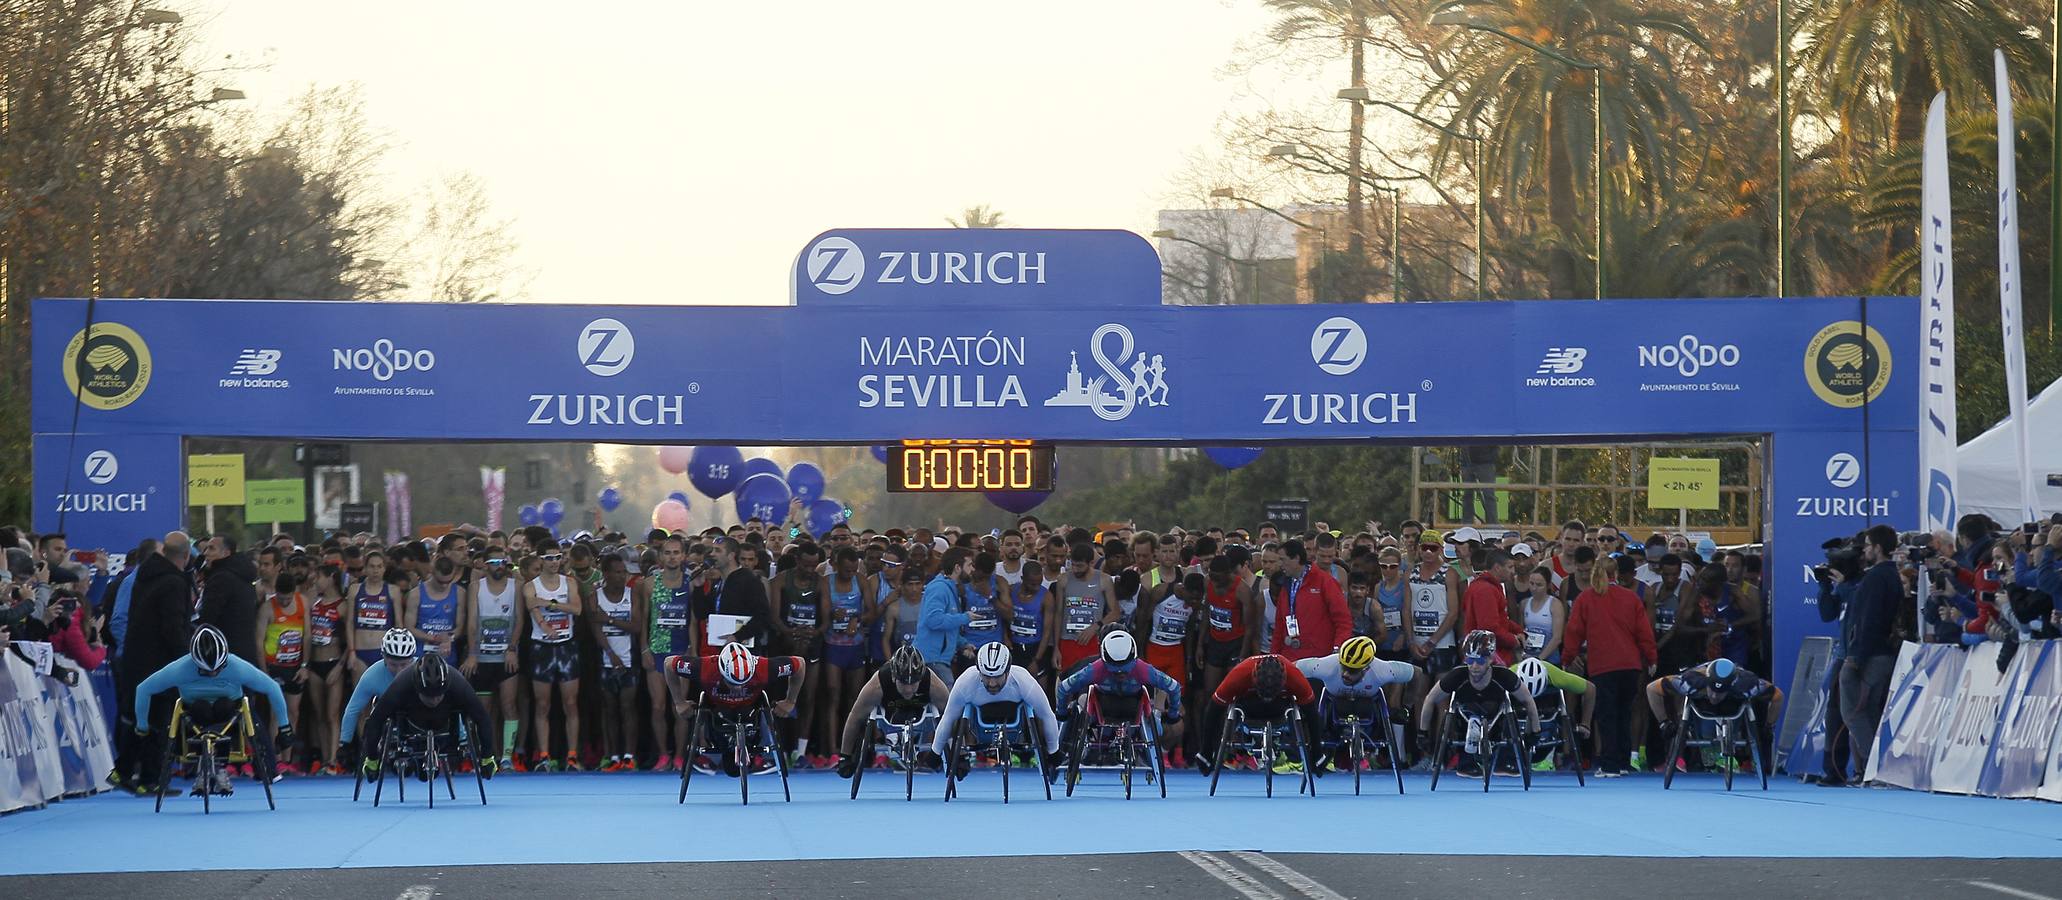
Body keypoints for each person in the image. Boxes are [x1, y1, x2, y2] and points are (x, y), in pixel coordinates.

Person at [132, 625, 292, 796]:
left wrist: (285, 728)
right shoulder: (181, 668)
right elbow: (143, 689)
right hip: (195, 715)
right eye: (207, 672)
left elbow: (272, 688)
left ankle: (265, 769)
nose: (214, 673)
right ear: (195, 663)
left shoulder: (236, 666)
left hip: (230, 714)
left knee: (231, 706)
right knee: (200, 708)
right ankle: (203, 765)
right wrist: (142, 726)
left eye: (218, 669)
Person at [114, 532, 195, 794]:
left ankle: (124, 771)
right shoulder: (174, 582)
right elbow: (173, 626)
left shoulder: (143, 577)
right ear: (185, 556)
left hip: (137, 659)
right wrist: (186, 658)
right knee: (159, 721)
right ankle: (150, 779)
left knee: (140, 718)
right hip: (161, 663)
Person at [1563, 558, 1656, 777]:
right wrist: (1651, 658)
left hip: (1603, 664)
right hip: (1630, 664)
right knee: (1624, 713)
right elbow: (1644, 632)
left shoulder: (1585, 598)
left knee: (1606, 715)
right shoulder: (1631, 598)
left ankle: (1609, 764)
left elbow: (1574, 631)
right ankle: (1623, 762)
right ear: (1617, 574)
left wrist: (1568, 657)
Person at [661, 642, 805, 777]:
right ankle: (712, 756)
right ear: (722, 672)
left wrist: (790, 701)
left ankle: (766, 756)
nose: (738, 688)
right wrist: (679, 702)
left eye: (744, 682)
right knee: (708, 716)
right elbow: (669, 664)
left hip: (751, 712)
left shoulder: (764, 667)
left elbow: (800, 664)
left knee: (764, 708)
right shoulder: (705, 667)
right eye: (732, 683)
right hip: (717, 712)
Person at [1416, 631, 1541, 778]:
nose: (1474, 666)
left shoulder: (1504, 675)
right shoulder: (1457, 675)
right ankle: (1466, 760)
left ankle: (1505, 759)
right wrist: (1422, 732)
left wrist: (1535, 731)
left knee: (1509, 712)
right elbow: (1430, 699)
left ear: (1491, 659)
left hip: (1497, 721)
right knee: (1462, 713)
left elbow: (1528, 700)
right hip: (1465, 719)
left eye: (1480, 661)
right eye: (1470, 660)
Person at [358, 651, 498, 782]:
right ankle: (412, 762)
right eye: (428, 696)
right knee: (382, 711)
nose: (434, 700)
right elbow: (376, 720)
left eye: (438, 696)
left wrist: (487, 756)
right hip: (409, 728)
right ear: (418, 688)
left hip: (446, 730)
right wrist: (372, 759)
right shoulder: (402, 683)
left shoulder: (458, 683)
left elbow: (482, 718)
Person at [931, 641, 1061, 780]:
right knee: (956, 716)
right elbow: (948, 718)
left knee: (1039, 712)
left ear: (1007, 671)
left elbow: (1047, 714)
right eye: (987, 677)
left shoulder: (1022, 679)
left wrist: (1054, 752)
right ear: (979, 671)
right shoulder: (966, 681)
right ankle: (962, 758)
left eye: (997, 677)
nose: (992, 683)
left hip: (1015, 722)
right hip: (978, 726)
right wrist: (935, 753)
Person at [1053, 631, 1184, 764]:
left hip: (1133, 709)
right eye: (1115, 670)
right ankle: (1066, 751)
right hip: (1102, 710)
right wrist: (1062, 713)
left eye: (1124, 669)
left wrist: (1168, 713)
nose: (1120, 673)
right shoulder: (1095, 668)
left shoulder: (1143, 669)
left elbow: (1173, 687)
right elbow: (1063, 687)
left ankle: (1147, 752)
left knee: (1156, 720)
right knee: (1082, 700)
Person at [1837, 525, 1903, 777]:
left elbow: (1869, 620)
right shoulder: (1889, 575)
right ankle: (1878, 766)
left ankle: (1878, 767)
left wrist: (1856, 657)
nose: (1863, 550)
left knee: (1852, 711)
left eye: (1867, 545)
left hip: (1869, 654)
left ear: (1877, 547)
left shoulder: (1876, 577)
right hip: (1880, 651)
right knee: (1870, 710)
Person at [1296, 635, 1418, 771]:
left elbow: (1417, 673)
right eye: (1344, 667)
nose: (1346, 674)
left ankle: (1375, 755)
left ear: (1366, 669)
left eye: (1353, 670)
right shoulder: (1325, 666)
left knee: (1388, 711)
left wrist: (1407, 705)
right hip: (1333, 706)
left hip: (1369, 708)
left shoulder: (1381, 670)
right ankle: (1325, 754)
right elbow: (1291, 667)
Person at [834, 644, 950, 777]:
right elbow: (855, 717)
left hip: (919, 712)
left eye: (913, 684)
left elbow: (951, 717)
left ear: (921, 677)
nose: (908, 689)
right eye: (903, 683)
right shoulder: (877, 684)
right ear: (894, 676)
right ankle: (892, 739)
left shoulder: (933, 684)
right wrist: (845, 756)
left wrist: (959, 754)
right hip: (889, 713)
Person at [1197, 653, 1317, 774]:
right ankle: (1247, 744)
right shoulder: (1239, 674)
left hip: (1280, 706)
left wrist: (1317, 752)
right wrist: (1205, 751)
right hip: (1250, 706)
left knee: (1304, 708)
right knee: (1220, 709)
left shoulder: (1294, 676)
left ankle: (1282, 748)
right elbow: (1212, 711)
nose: (1267, 699)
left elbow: (1312, 713)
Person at [522, 546, 584, 771]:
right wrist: (544, 624)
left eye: (558, 558)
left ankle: (572, 756)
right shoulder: (531, 586)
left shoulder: (569, 583)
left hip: (566, 646)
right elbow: (531, 605)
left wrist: (549, 604)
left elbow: (577, 610)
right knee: (542, 704)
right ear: (541, 560)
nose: (554, 562)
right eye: (549, 558)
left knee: (571, 703)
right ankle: (544, 756)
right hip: (542, 648)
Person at [464, 552, 522, 772]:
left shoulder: (515, 586)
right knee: (483, 709)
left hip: (506, 656)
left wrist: (512, 649)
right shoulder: (476, 587)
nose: (499, 566)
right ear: (485, 565)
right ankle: (486, 756)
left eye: (503, 562)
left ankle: (507, 757)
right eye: (494, 563)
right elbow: (471, 623)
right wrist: (472, 653)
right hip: (483, 656)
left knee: (509, 704)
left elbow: (519, 620)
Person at [820, 546, 878, 770]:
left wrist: (858, 619)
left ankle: (857, 747)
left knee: (856, 699)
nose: (850, 574)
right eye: (846, 571)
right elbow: (823, 612)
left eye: (854, 570)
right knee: (833, 695)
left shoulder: (861, 581)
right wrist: (833, 614)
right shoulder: (827, 582)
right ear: (836, 566)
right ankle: (833, 749)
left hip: (855, 646)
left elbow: (872, 612)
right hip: (833, 645)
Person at [1644, 658, 1779, 751]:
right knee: (1706, 730)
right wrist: (1664, 723)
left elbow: (1778, 697)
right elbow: (1651, 689)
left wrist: (1768, 726)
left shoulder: (1747, 684)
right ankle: (1698, 737)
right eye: (1712, 690)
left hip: (1733, 700)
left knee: (1738, 705)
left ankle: (1737, 740)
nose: (1714, 696)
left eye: (1719, 693)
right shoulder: (1690, 682)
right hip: (1701, 699)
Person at [588, 554, 642, 772]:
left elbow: (636, 627)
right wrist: (610, 653)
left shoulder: (633, 595)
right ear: (606, 574)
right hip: (606, 660)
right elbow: (595, 627)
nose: (621, 576)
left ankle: (630, 756)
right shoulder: (595, 597)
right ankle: (612, 756)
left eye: (624, 572)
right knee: (609, 708)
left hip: (630, 660)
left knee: (627, 706)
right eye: (617, 572)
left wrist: (610, 619)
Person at [253, 570, 310, 774]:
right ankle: (274, 759)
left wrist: (305, 666)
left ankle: (288, 759)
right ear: (275, 593)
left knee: (293, 712)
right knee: (277, 714)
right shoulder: (267, 608)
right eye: (281, 598)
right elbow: (259, 642)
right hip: (273, 666)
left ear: (294, 592)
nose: (285, 602)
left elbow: (307, 636)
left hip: (294, 667)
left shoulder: (302, 602)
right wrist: (263, 672)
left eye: (288, 598)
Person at [338, 629, 420, 766]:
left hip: (418, 712)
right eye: (394, 665)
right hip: (386, 712)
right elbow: (352, 710)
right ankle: (372, 760)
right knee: (372, 721)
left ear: (413, 659)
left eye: (404, 665)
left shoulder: (423, 669)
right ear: (383, 657)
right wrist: (344, 742)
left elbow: (453, 699)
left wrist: (462, 736)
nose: (399, 671)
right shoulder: (372, 675)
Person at [1270, 539, 1351, 662]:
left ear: (1296, 558)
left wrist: (1337, 649)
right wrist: (1273, 657)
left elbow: (1343, 620)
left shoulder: (1325, 582)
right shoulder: (1286, 585)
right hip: (1290, 657)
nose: (1279, 564)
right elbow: (1280, 626)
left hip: (1319, 659)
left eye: (1282, 559)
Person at [1054, 543, 1121, 674]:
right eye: (1073, 564)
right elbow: (1058, 614)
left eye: (1079, 566)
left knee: (1090, 683)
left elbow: (1115, 613)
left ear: (1091, 563)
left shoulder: (1104, 580)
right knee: (1066, 683)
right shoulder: (1063, 580)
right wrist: (1056, 648)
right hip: (1068, 641)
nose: (1075, 569)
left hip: (1092, 642)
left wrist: (1095, 627)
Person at [914, 547, 978, 682]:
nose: (972, 569)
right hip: (932, 661)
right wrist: (965, 617)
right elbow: (934, 620)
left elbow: (946, 628)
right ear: (957, 567)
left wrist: (963, 643)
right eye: (970, 565)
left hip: (936, 660)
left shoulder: (948, 588)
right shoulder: (940, 588)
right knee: (947, 701)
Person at [196, 536, 260, 666]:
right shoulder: (242, 575)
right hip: (243, 651)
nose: (205, 553)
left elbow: (208, 617)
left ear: (226, 553)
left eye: (211, 548)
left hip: (224, 653)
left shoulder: (221, 579)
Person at [1460, 550, 1525, 664]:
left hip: (1482, 654)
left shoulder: (1481, 586)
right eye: (1510, 567)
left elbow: (1500, 619)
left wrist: (1518, 630)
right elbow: (1488, 628)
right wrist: (1513, 640)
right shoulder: (1486, 590)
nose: (1513, 572)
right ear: (1497, 568)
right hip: (1489, 658)